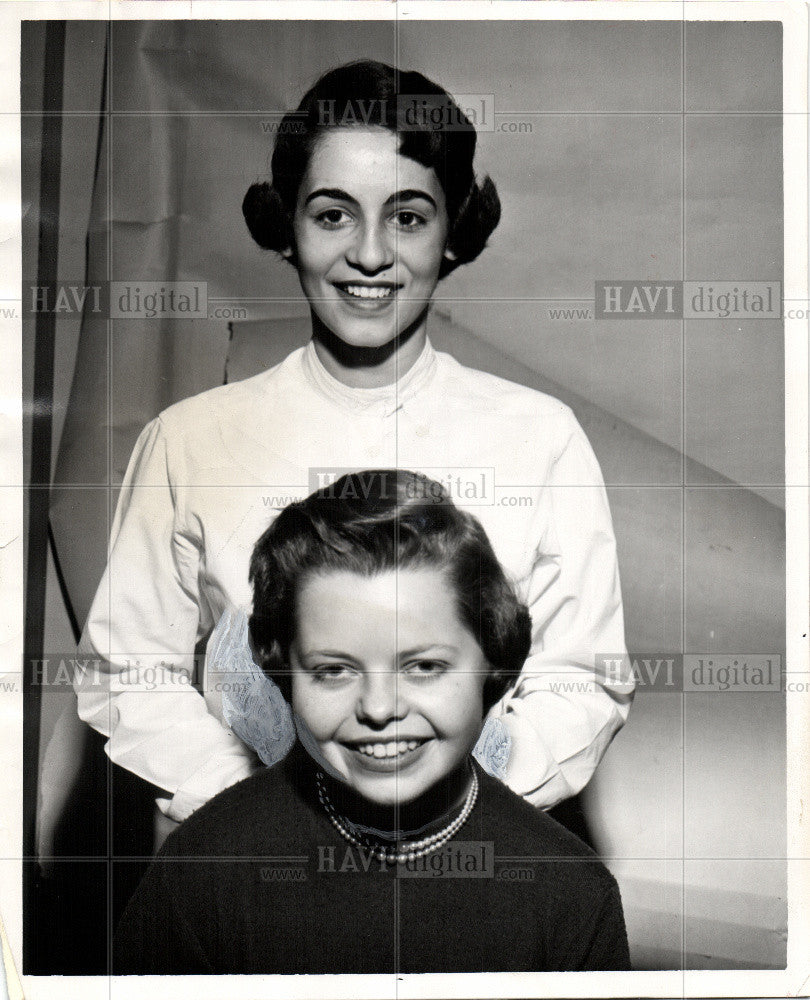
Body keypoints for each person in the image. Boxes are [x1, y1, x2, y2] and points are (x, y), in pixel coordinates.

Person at [75, 59, 632, 833]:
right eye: (333, 215)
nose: (369, 255)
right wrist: (248, 807)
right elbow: (127, 668)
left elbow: (584, 678)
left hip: (467, 867)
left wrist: (466, 810)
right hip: (261, 870)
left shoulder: (541, 437)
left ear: (452, 235)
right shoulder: (189, 439)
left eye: (407, 217)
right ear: (288, 226)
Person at [113, 471, 631, 974]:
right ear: (283, 672)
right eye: (333, 670)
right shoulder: (203, 871)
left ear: (493, 661)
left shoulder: (572, 893)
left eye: (424, 666)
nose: (380, 710)